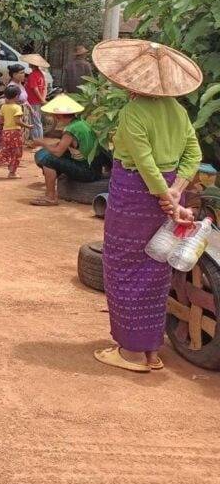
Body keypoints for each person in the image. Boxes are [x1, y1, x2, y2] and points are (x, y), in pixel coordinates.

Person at [94, 40, 202, 373]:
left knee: (124, 268)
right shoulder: (178, 111)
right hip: (170, 195)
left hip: (135, 197)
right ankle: (152, 351)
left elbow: (144, 163)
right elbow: (194, 155)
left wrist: (165, 197)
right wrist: (176, 192)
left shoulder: (133, 112)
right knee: (157, 270)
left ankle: (130, 352)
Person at [31, 95, 107, 206]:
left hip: (87, 171)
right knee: (51, 155)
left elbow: (58, 152)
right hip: (95, 167)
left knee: (47, 159)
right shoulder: (80, 123)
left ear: (59, 115)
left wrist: (41, 143)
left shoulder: (71, 130)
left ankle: (50, 197)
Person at [0, 84, 29, 179]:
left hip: (6, 132)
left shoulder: (3, 107)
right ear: (16, 96)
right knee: (17, 152)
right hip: (15, 132)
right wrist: (27, 126)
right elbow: (17, 121)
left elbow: (0, 120)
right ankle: (12, 172)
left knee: (7, 150)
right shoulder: (17, 107)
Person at [23, 53, 49, 141]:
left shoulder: (32, 75)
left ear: (31, 64)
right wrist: (43, 99)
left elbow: (35, 89)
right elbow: (45, 87)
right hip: (37, 101)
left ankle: (37, 141)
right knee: (37, 120)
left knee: (36, 120)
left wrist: (41, 99)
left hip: (33, 101)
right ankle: (36, 140)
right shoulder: (41, 74)